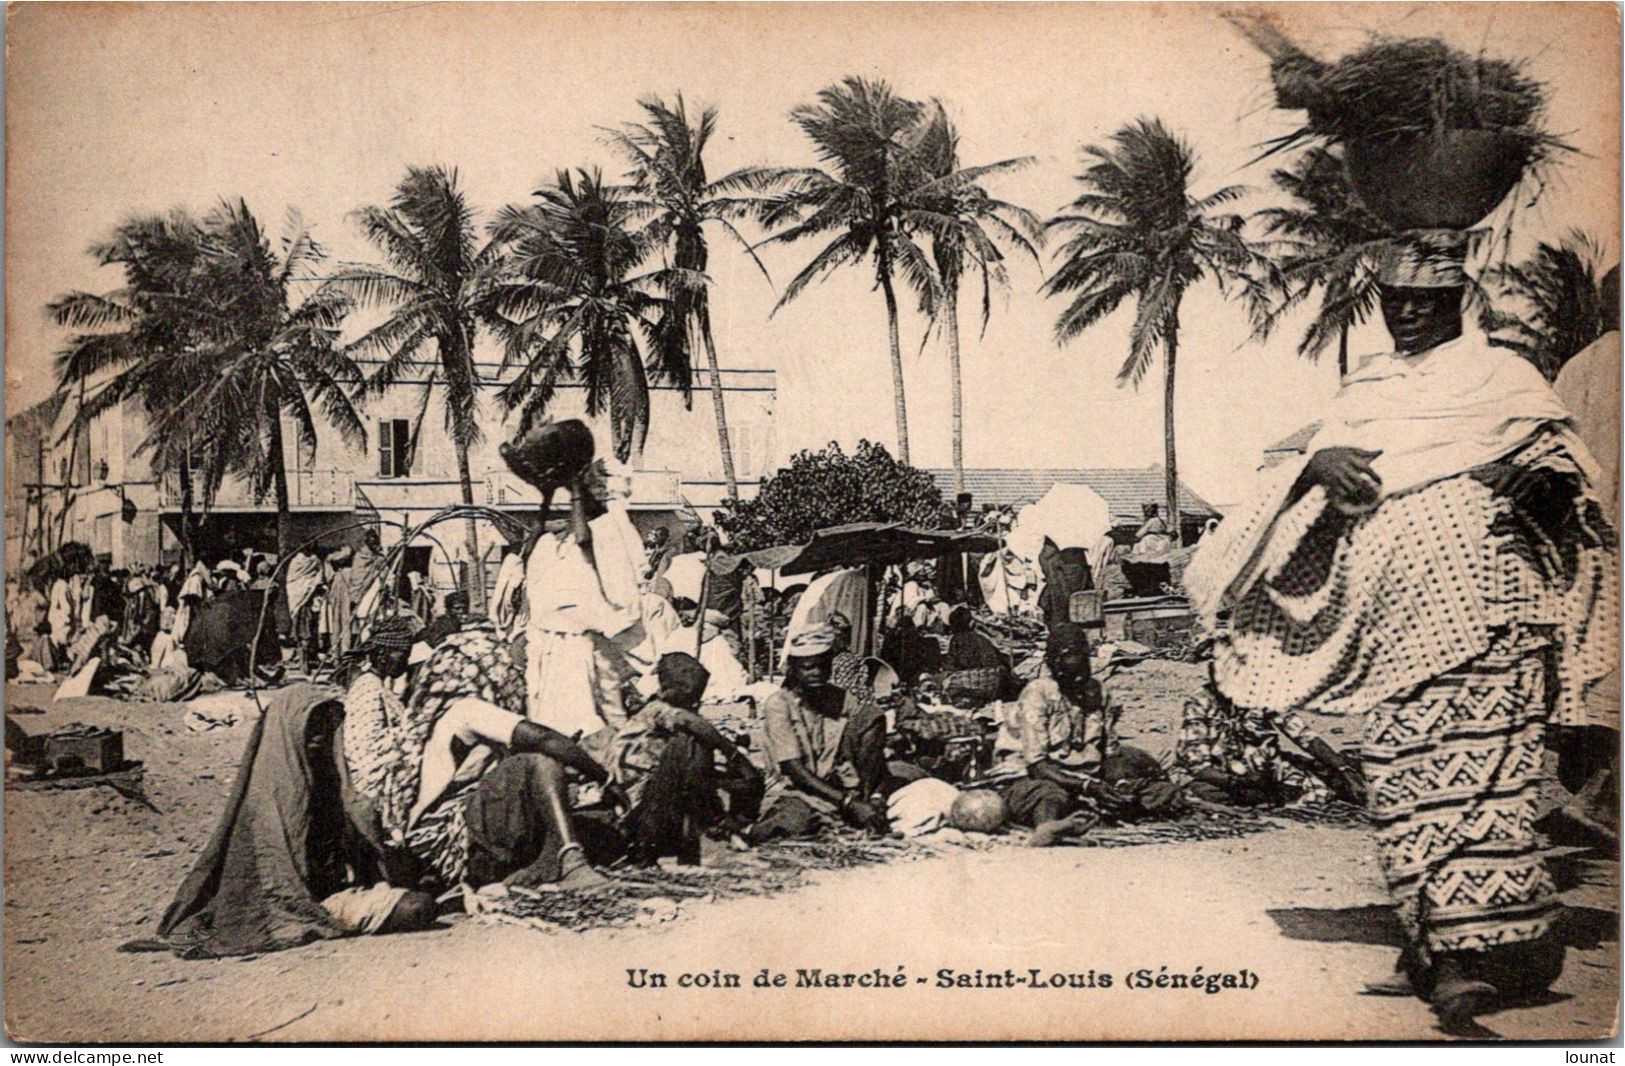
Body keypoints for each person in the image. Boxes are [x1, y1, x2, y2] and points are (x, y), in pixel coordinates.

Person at [1185, 232, 1617, 1033]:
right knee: (1401, 781)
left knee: (1483, 786)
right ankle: (1489, 944)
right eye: (1395, 302)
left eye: (1426, 302)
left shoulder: (1503, 380)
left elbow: (1569, 489)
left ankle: (1452, 962)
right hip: (1390, 633)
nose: (1409, 316)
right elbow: (1294, 484)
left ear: (1459, 304)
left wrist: (1534, 483)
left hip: (1492, 621)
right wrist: (1317, 468)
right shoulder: (1368, 386)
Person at [341, 617, 619, 892]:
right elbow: (542, 738)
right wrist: (605, 778)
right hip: (446, 843)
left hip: (437, 841)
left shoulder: (435, 715)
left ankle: (536, 867)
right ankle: (573, 864)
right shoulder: (465, 710)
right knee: (538, 762)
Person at [988, 623, 1180, 846]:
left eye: (1084, 662)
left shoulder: (1099, 692)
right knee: (1051, 795)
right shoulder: (1037, 694)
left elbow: (1110, 754)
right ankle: (1048, 828)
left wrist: (1119, 785)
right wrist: (1088, 787)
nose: (1079, 679)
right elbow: (1037, 766)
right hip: (1032, 778)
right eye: (1071, 672)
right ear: (1053, 664)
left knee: (1160, 792)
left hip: (1088, 780)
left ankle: (1083, 816)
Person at [607, 652, 764, 864]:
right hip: (637, 804)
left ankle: (726, 826)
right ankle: (709, 831)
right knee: (692, 743)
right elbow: (687, 722)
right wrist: (731, 752)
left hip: (651, 793)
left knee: (723, 773)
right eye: (690, 694)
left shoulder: (662, 713)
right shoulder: (659, 710)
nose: (695, 701)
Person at [754, 627, 892, 839]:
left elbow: (868, 743)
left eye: (822, 666)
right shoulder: (779, 704)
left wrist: (875, 796)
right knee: (795, 822)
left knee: (871, 717)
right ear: (793, 669)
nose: (816, 673)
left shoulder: (841, 697)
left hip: (842, 785)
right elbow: (794, 769)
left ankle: (865, 804)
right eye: (808, 668)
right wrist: (847, 802)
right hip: (797, 789)